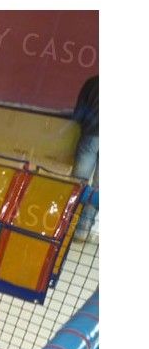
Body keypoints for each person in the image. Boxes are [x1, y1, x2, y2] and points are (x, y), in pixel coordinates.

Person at [71, 74, 99, 240]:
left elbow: (79, 111)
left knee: (78, 183)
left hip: (91, 135)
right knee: (98, 188)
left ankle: (66, 227)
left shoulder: (93, 83)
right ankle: (82, 231)